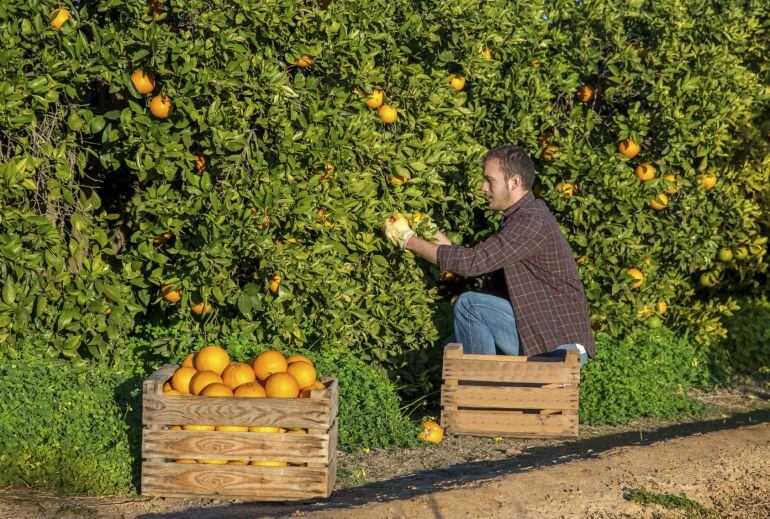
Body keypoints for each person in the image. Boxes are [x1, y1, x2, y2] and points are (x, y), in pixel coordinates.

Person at [383, 144, 595, 366]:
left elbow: (471, 263)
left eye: (490, 180)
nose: (484, 188)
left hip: (558, 345)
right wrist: (428, 230)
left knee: (469, 306)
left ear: (514, 182)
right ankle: (482, 390)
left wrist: (408, 241)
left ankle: (481, 389)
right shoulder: (520, 218)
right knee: (452, 345)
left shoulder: (531, 222)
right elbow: (475, 259)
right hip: (542, 334)